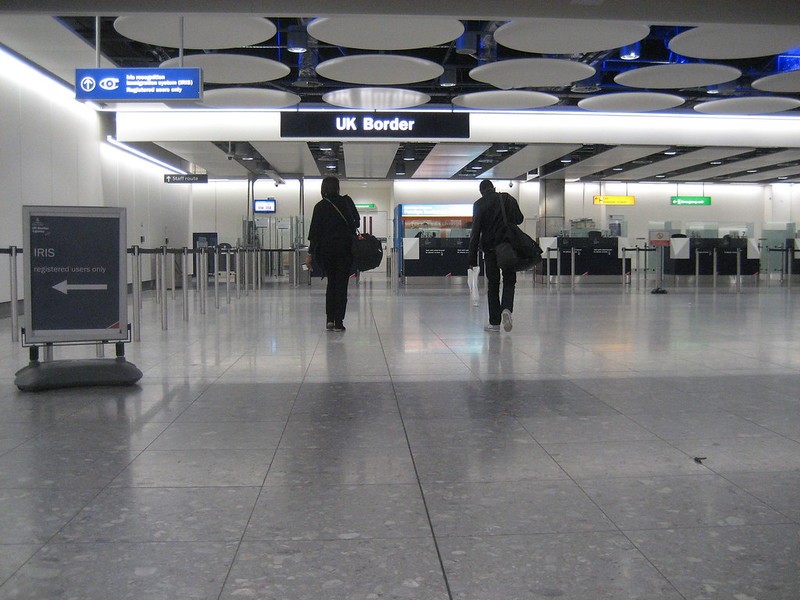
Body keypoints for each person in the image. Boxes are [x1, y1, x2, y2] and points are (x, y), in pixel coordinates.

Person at [468, 179, 524, 332]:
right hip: (507, 247)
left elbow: (475, 232)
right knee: (509, 280)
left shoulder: (479, 204)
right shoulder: (507, 198)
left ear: (481, 191)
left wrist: (472, 258)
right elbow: (519, 219)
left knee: (493, 284)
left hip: (490, 250)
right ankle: (507, 309)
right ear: (493, 188)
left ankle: (494, 322)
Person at [305, 176, 360, 332]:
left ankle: (329, 319)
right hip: (345, 250)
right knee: (342, 285)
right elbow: (356, 223)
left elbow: (314, 234)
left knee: (331, 284)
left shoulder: (319, 206)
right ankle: (339, 321)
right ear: (338, 187)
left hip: (326, 252)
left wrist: (310, 254)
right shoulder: (346, 202)